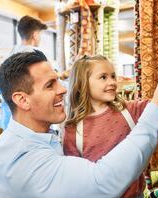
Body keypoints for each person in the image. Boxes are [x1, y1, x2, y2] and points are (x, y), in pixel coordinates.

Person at [0, 51, 158, 197]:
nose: (62, 89)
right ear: (23, 100)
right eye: (50, 85)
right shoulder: (23, 159)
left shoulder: (29, 139)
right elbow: (101, 183)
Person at [63, 55, 148, 197]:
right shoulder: (73, 131)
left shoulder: (129, 110)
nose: (112, 82)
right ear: (82, 83)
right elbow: (75, 179)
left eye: (113, 76)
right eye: (103, 77)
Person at [0, 15, 47, 131]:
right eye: (40, 35)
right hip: (27, 123)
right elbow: (45, 86)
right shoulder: (34, 56)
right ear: (35, 35)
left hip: (8, 121)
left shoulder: (9, 56)